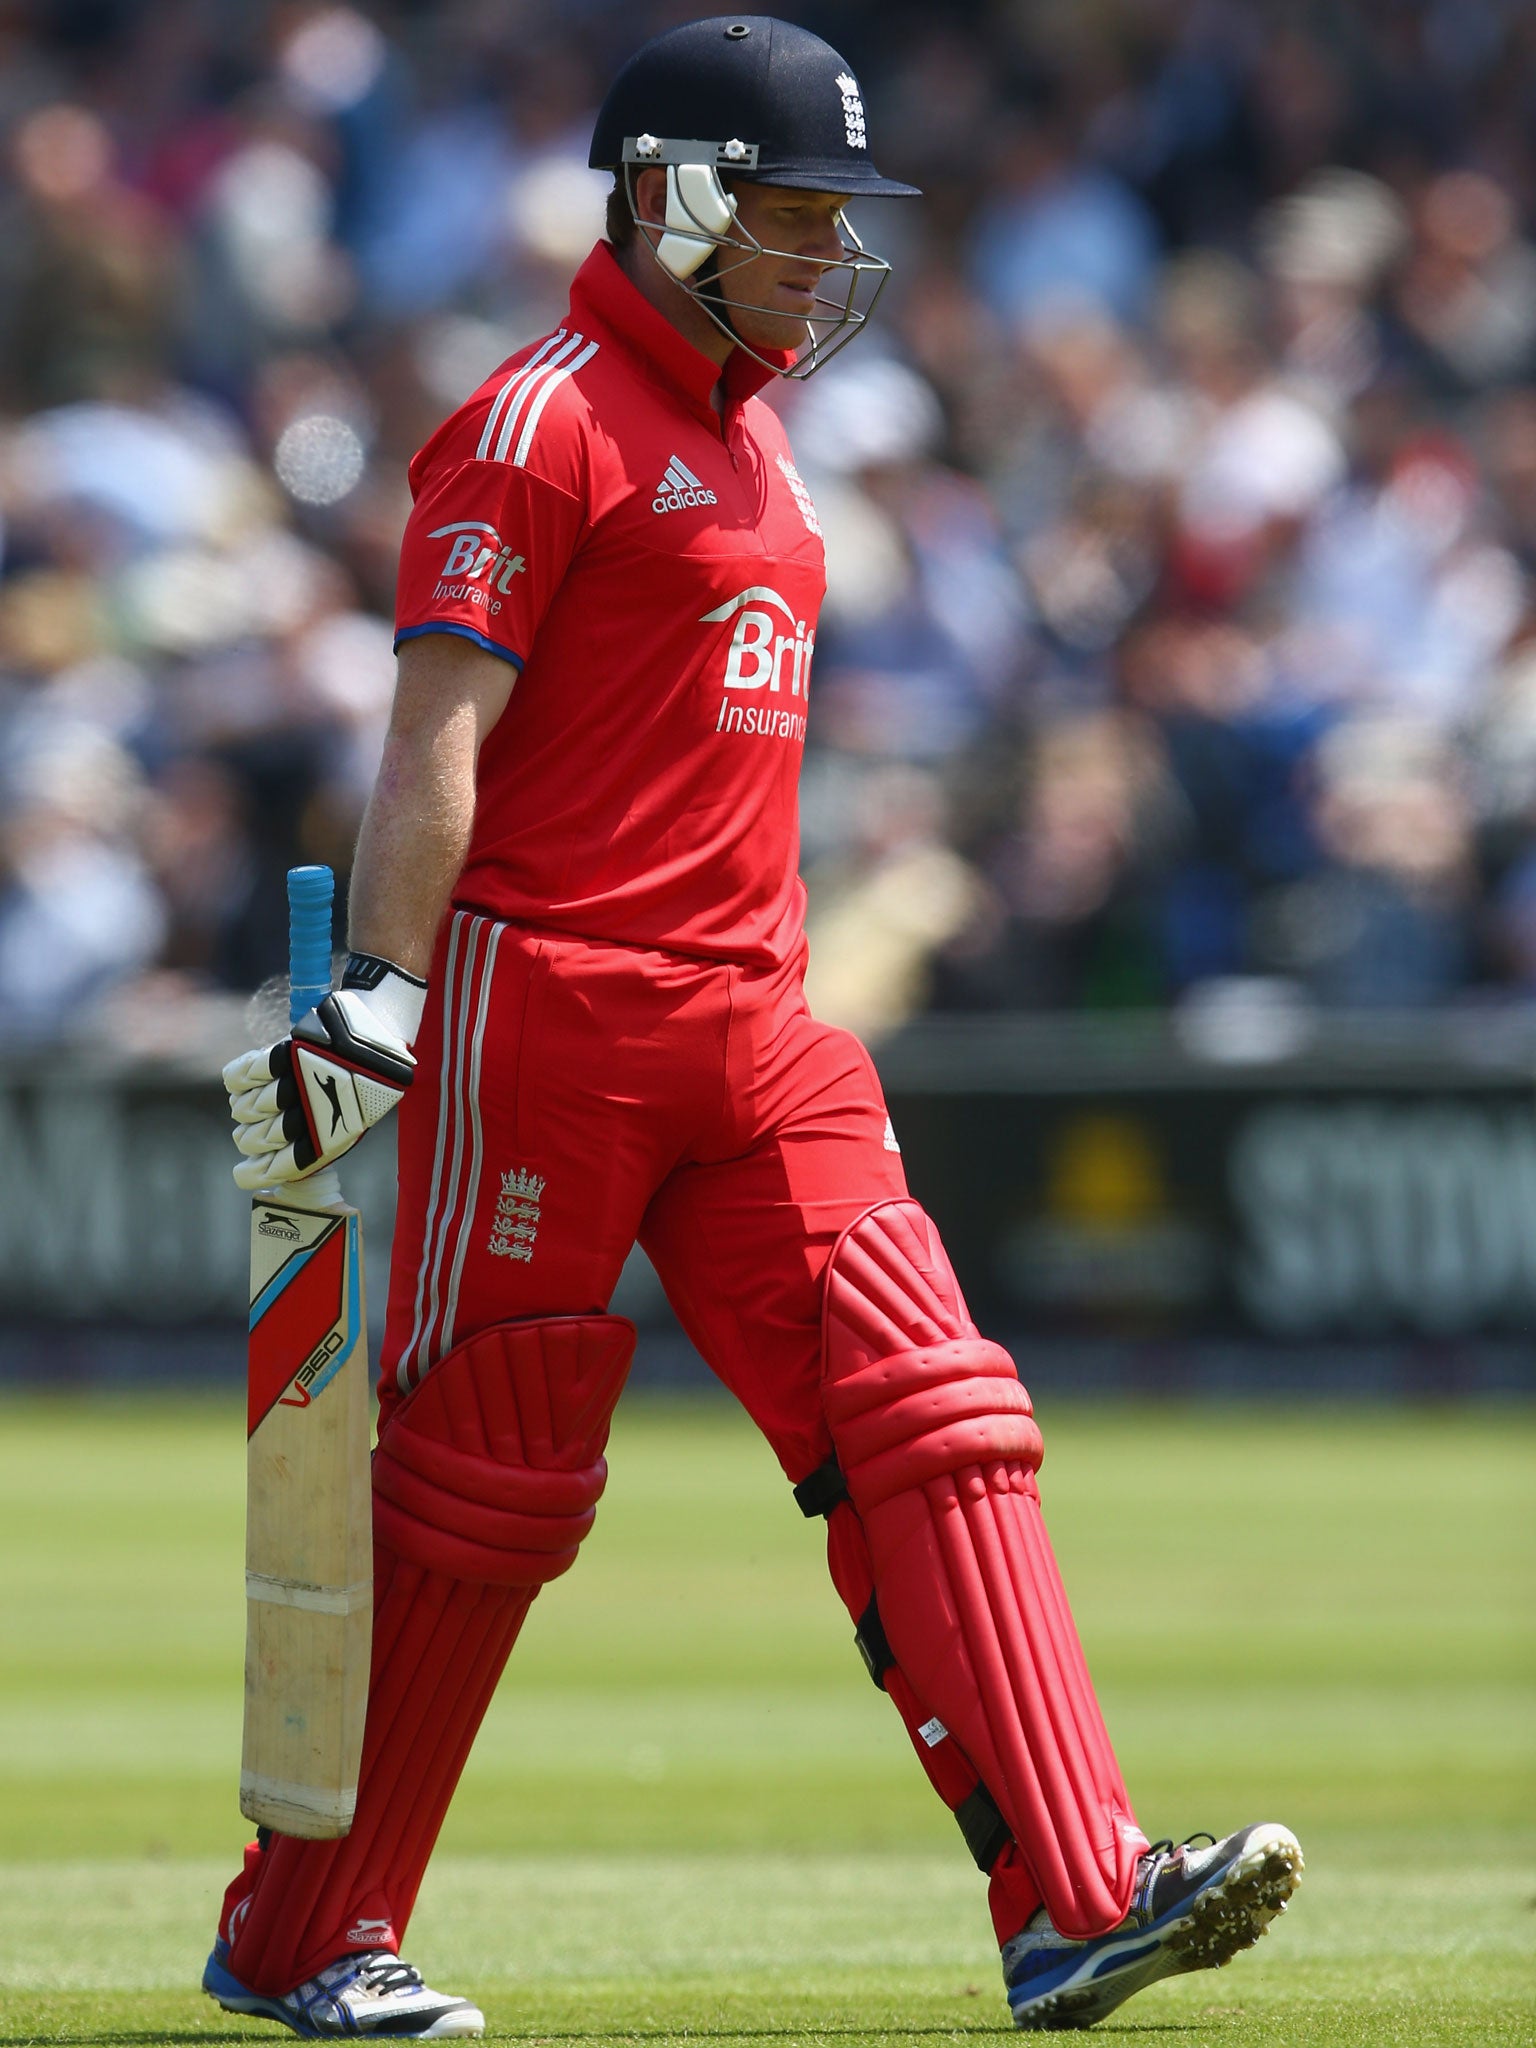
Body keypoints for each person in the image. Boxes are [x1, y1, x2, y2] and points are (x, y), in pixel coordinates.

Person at [208, 17, 1302, 2038]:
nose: (821, 256)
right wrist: (374, 998)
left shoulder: (762, 431)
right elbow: (431, 743)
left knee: (934, 1404)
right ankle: (307, 1934)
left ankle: (1077, 1892)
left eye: (832, 222)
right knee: (483, 1477)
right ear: (667, 197)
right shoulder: (535, 422)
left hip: (756, 1016)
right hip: (546, 1006)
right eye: (788, 215)